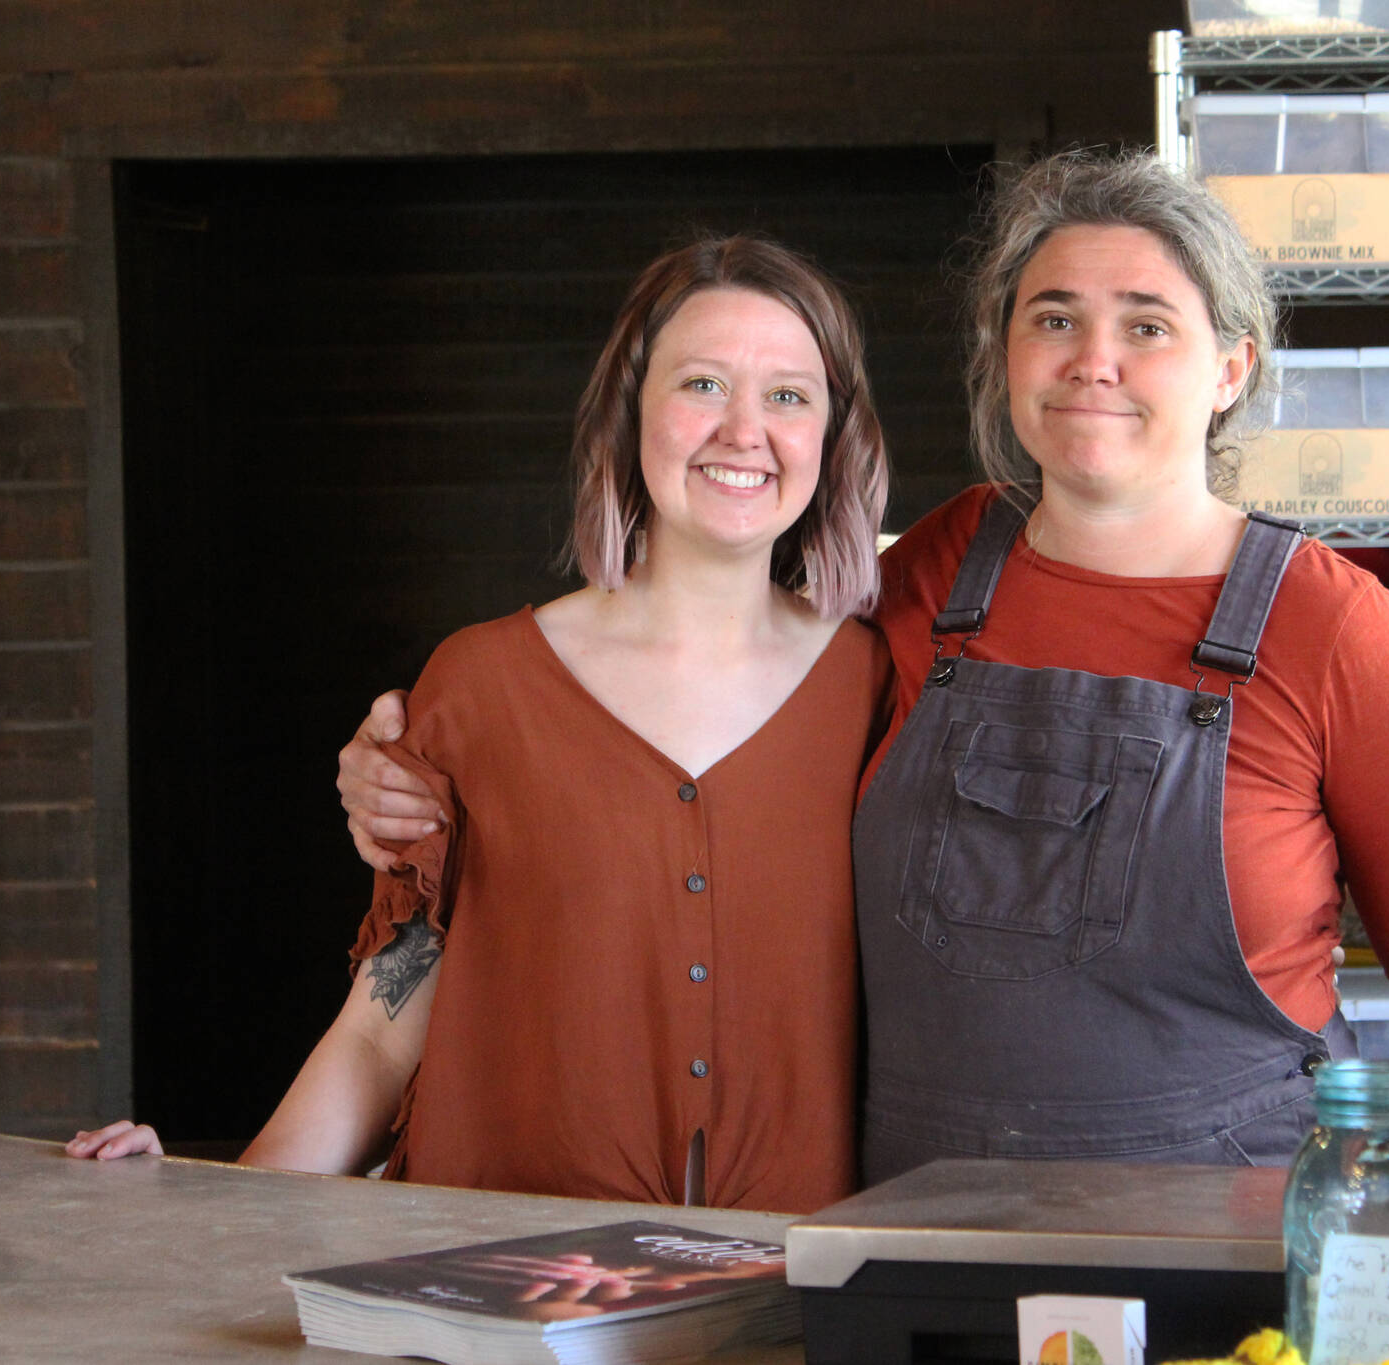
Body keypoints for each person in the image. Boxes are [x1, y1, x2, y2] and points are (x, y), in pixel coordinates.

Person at [337, 150, 1389, 1176]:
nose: (1091, 360)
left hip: (1222, 1255)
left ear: (1228, 369)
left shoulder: (1333, 633)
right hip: (913, 1252)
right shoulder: (929, 576)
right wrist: (412, 779)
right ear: (1003, 352)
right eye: (1052, 317)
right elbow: (696, 693)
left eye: (1147, 325)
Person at [66, 235, 893, 1215]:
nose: (743, 430)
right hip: (499, 1295)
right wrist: (200, 1220)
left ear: (834, 436)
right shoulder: (481, 684)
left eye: (788, 396)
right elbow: (380, 1031)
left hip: (786, 1303)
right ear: (628, 416)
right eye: (702, 385)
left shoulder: (880, 686)